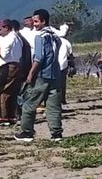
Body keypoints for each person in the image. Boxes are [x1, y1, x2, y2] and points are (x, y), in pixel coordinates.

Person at [15, 9, 63, 142]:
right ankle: (56, 134)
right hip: (55, 75)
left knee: (29, 104)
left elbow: (39, 57)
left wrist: (31, 73)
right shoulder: (55, 36)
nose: (34, 24)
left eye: (36, 21)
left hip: (42, 75)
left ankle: (27, 132)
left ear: (43, 21)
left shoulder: (40, 36)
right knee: (53, 106)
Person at [0, 19, 23, 125]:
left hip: (8, 66)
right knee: (11, 91)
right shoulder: (18, 38)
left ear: (6, 28)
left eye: (0, 29)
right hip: (16, 65)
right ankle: (10, 115)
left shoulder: (9, 38)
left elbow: (4, 54)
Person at [57, 28, 74, 105]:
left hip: (54, 65)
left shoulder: (53, 40)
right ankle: (62, 99)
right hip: (63, 65)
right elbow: (70, 55)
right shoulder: (67, 42)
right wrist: (72, 66)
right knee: (62, 83)